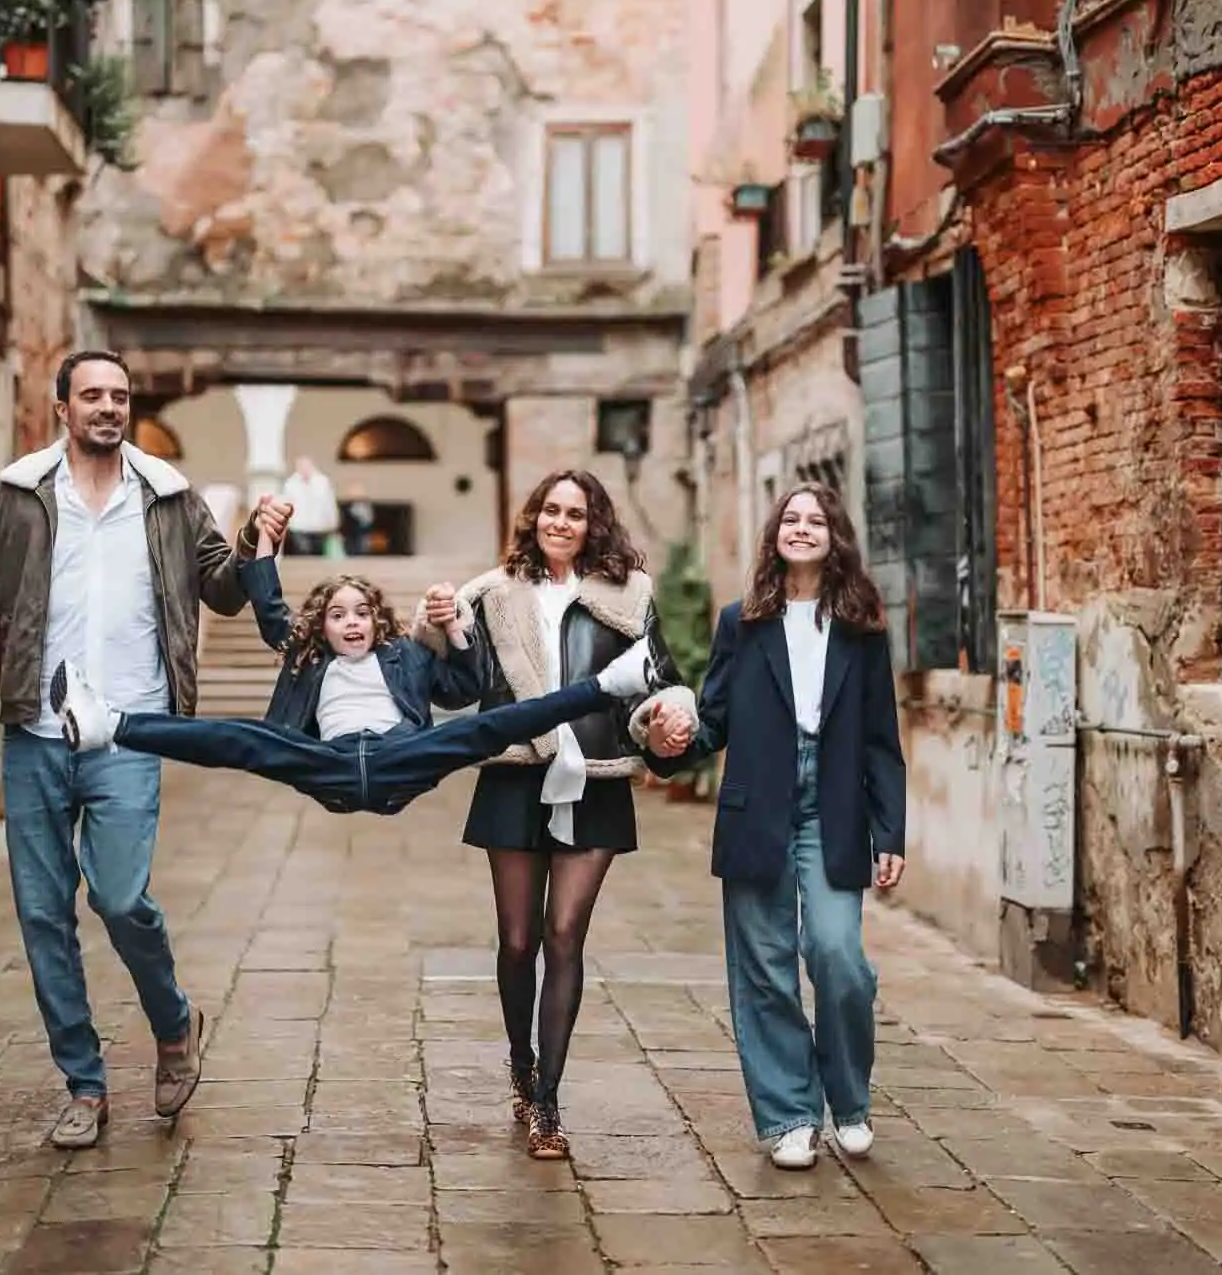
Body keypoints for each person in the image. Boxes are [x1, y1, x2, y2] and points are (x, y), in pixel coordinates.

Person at [0, 348, 290, 1151]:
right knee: (44, 914)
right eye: (92, 395)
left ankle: (173, 1018)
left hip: (131, 727)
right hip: (36, 733)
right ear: (62, 408)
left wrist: (258, 545)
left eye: (119, 395)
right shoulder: (18, 496)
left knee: (120, 899)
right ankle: (84, 1083)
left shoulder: (169, 496)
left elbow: (222, 589)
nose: (108, 407)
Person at [51, 525, 671, 814]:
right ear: (320, 628)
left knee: (492, 725)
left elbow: (463, 688)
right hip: (328, 765)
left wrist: (455, 630)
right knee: (238, 739)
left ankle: (612, 681)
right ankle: (109, 724)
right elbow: (272, 614)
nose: (351, 623)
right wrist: (265, 548)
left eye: (362, 614)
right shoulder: (308, 659)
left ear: (379, 622)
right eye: (337, 615)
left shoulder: (403, 658)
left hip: (404, 758)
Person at [447, 469, 699, 1160]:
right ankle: (521, 1063)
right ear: (533, 517)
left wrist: (664, 717)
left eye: (576, 513)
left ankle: (549, 1102)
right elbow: (456, 676)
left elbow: (656, 678)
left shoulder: (629, 593)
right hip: (514, 773)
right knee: (519, 939)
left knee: (565, 935)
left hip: (596, 776)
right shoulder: (492, 591)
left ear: (595, 524)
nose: (562, 521)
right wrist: (440, 629)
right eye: (551, 510)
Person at [683, 483, 907, 1171]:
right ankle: (788, 1115)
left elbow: (879, 738)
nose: (802, 528)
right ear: (774, 533)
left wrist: (889, 830)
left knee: (839, 955)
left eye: (815, 520)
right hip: (760, 800)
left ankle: (849, 1099)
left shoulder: (862, 627)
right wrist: (675, 733)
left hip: (832, 802)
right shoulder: (740, 622)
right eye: (791, 517)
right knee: (765, 968)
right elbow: (712, 718)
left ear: (834, 536)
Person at [282, 455, 341, 558]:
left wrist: (333, 522)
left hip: (319, 528)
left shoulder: (322, 482)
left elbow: (329, 504)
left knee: (318, 556)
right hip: (299, 527)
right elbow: (286, 505)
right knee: (302, 555)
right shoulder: (290, 484)